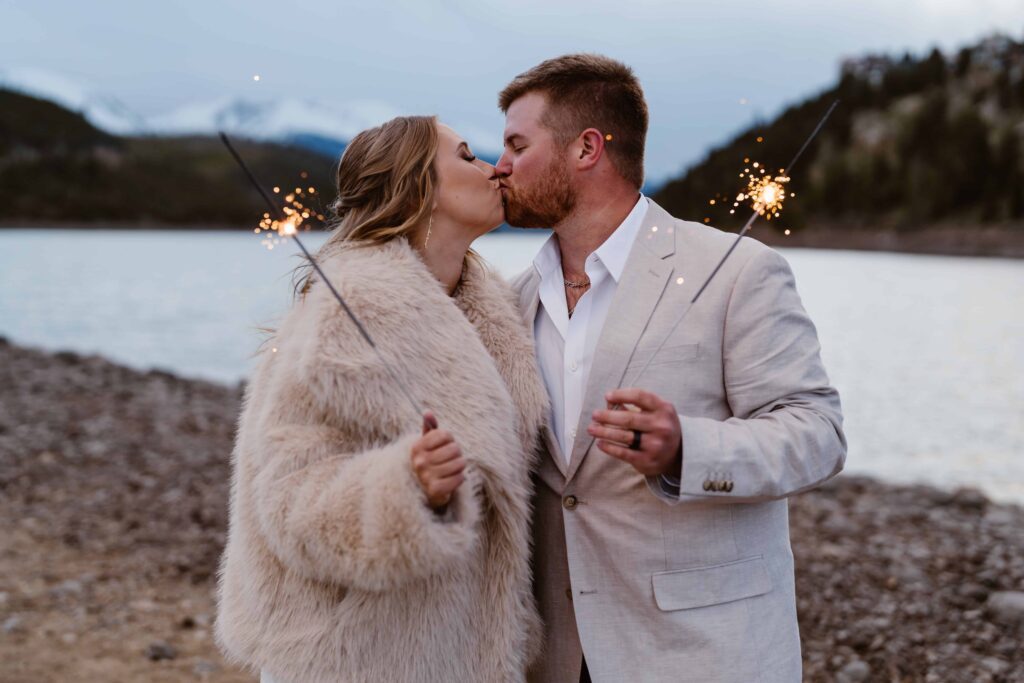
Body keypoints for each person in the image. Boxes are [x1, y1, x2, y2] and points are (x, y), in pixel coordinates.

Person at [496, 54, 847, 682]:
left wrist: (687, 448)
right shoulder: (512, 299)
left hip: (699, 653)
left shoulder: (738, 272)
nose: (501, 167)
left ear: (586, 149)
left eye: (518, 145)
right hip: (552, 655)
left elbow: (818, 433)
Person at [216, 116, 548, 683]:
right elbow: (286, 498)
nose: (493, 168)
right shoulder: (345, 312)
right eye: (467, 156)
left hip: (461, 649)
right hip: (356, 654)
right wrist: (405, 486)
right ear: (418, 186)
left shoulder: (494, 311)